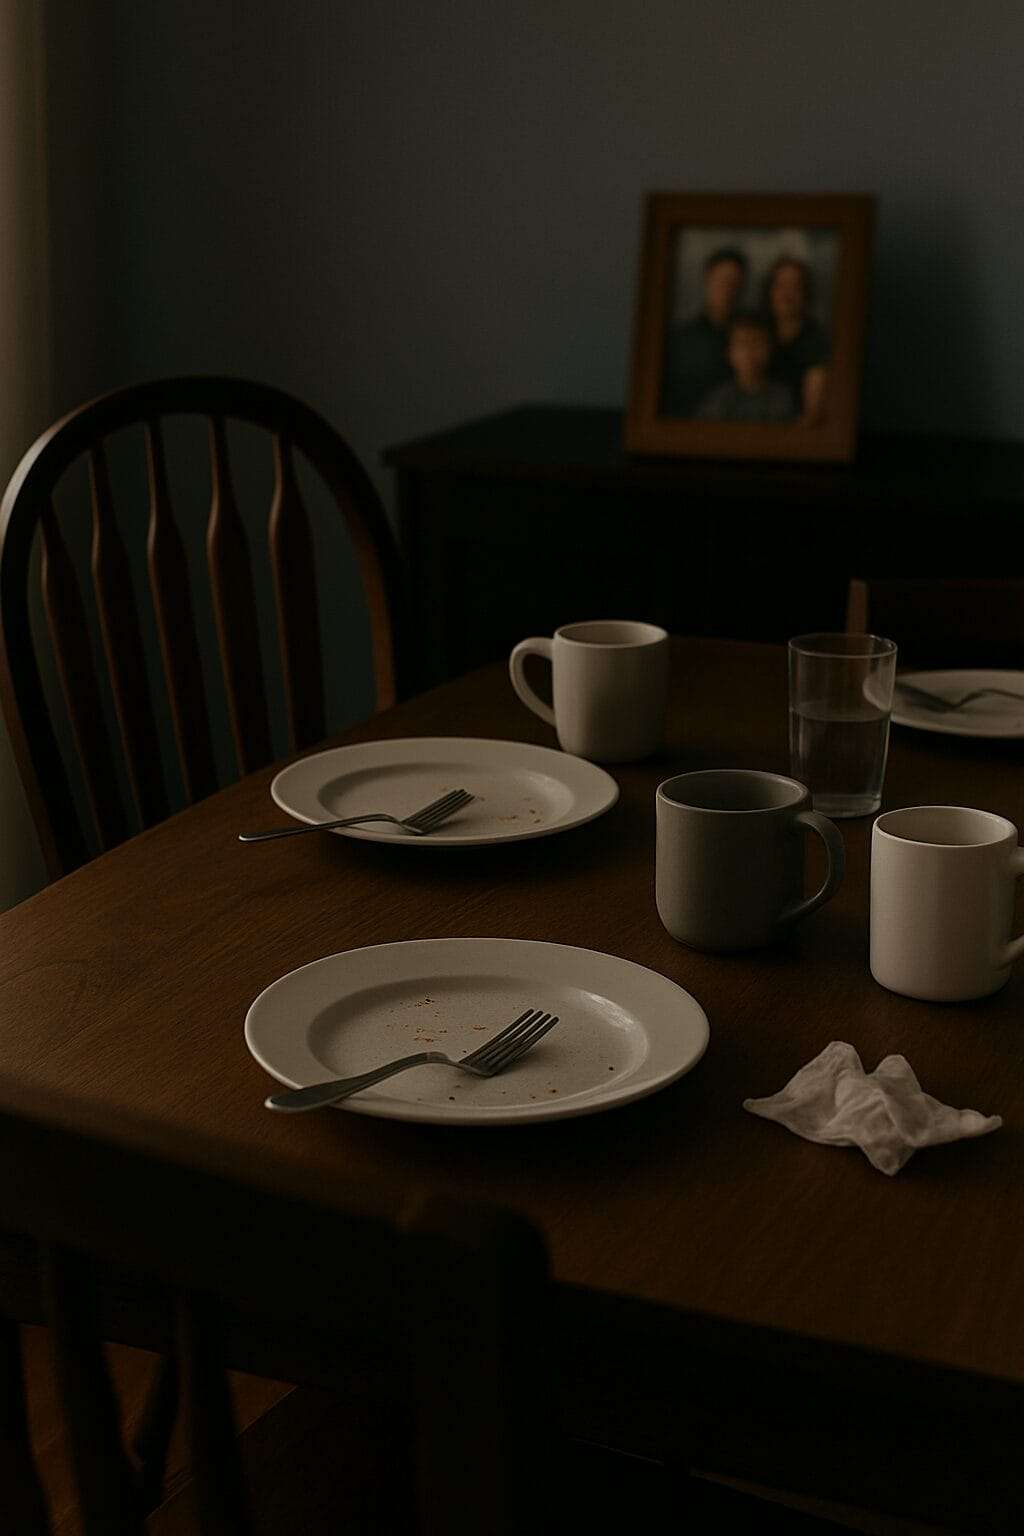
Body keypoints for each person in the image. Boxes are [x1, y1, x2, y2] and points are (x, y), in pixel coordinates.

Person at [660, 247, 748, 417]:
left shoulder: (750, 338)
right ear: (708, 279)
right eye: (722, 281)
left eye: (734, 283)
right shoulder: (681, 338)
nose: (728, 290)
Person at [761, 255, 830, 426]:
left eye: (795, 287)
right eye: (780, 286)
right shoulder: (758, 330)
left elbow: (813, 411)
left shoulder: (817, 341)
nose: (786, 295)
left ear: (806, 294)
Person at [695, 313, 795, 423]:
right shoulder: (717, 400)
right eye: (742, 344)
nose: (749, 352)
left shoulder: (782, 399)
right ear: (730, 353)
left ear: (770, 349)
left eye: (757, 343)